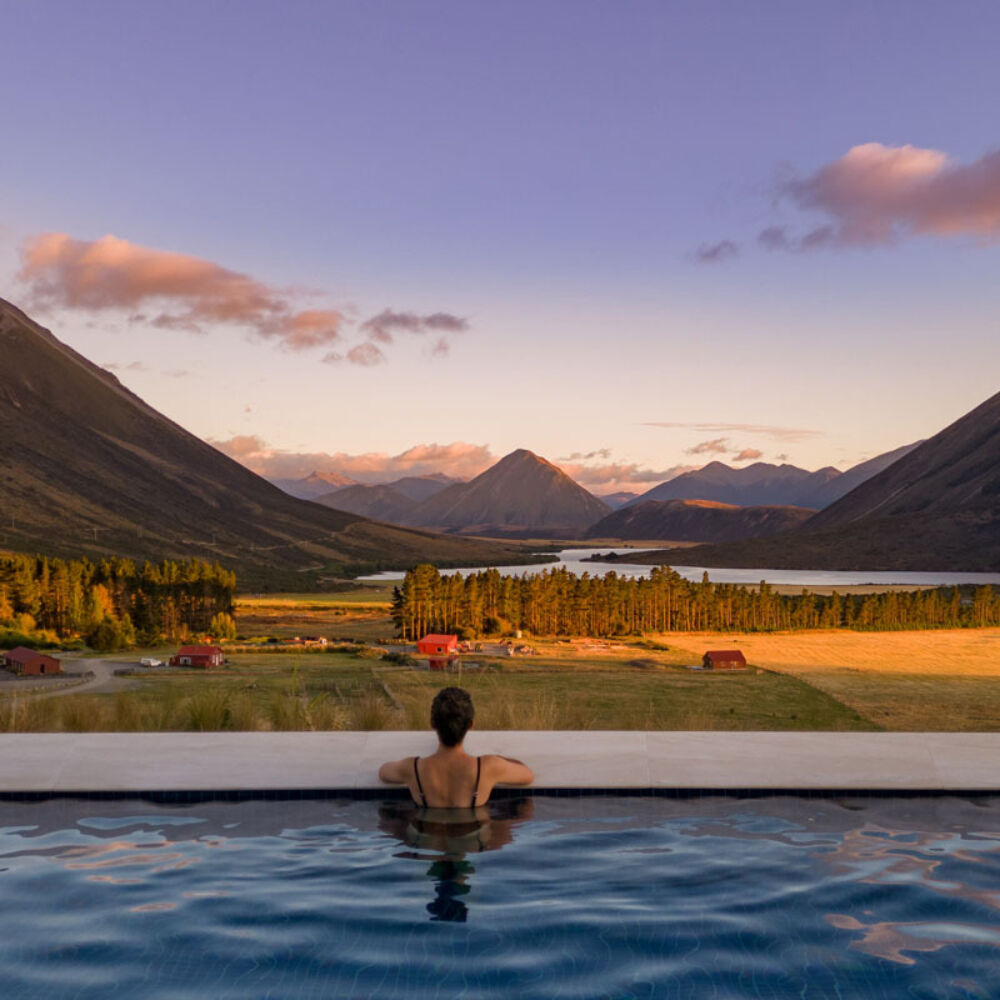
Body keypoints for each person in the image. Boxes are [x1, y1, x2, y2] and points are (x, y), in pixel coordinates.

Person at [378, 686, 534, 807]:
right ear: (471, 725)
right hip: (473, 840)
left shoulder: (412, 768)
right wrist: (499, 758)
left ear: (432, 723)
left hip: (426, 841)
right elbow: (527, 775)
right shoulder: (488, 767)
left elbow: (383, 772)